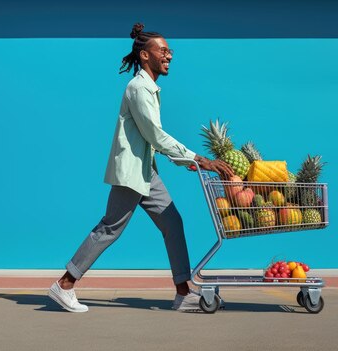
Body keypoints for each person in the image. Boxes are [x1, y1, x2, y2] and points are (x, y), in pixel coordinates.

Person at [48, 23, 234, 313]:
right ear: (145, 56)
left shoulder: (148, 87)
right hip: (131, 173)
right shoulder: (138, 88)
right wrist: (198, 159)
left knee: (173, 223)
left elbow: (152, 139)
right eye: (163, 50)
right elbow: (155, 135)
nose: (169, 56)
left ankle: (183, 292)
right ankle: (65, 284)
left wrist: (189, 159)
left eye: (170, 51)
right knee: (110, 228)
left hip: (146, 172)